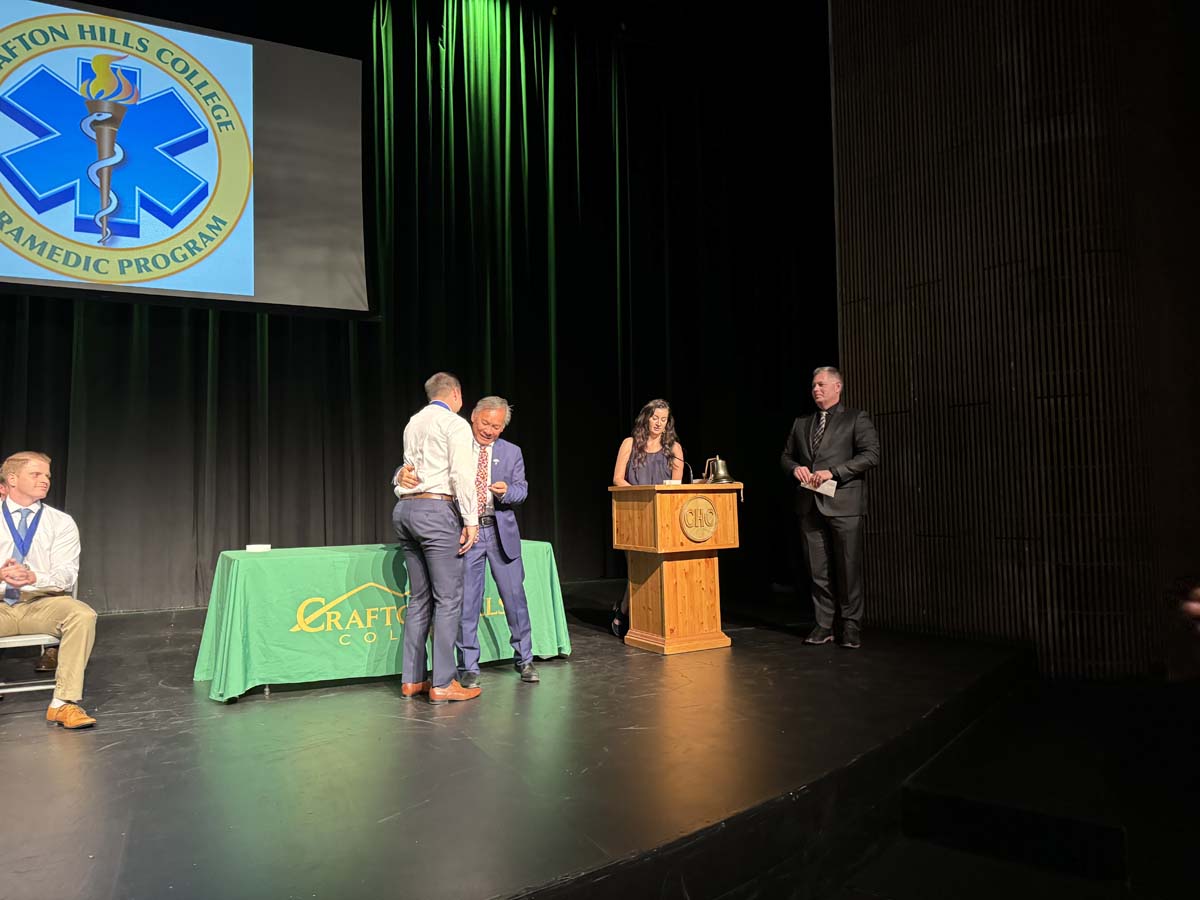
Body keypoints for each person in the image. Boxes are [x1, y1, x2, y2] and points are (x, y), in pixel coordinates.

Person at [397, 396, 538, 687]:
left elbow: (522, 490)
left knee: (515, 600)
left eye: (497, 426)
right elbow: (420, 469)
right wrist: (399, 474)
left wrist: (508, 491)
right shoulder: (455, 442)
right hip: (464, 533)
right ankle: (469, 665)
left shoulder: (512, 453)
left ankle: (525, 659)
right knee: (466, 603)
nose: (490, 430)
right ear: (473, 417)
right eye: (486, 423)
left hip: (499, 533)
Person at [391, 373, 481, 704]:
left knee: (419, 598)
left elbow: (406, 471)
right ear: (456, 394)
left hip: (405, 510)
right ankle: (443, 682)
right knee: (448, 599)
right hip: (435, 513)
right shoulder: (454, 424)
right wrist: (471, 520)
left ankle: (413, 680)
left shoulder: (413, 423)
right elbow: (461, 474)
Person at [780, 367, 880, 649]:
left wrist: (834, 472)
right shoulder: (802, 422)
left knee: (848, 568)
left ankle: (850, 625)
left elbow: (871, 454)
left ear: (838, 387)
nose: (816, 390)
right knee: (817, 569)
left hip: (844, 504)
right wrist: (795, 468)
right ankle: (823, 624)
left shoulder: (855, 418)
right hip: (809, 504)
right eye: (813, 386)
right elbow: (786, 456)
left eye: (822, 385)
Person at [0, 451, 98, 728]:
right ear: (12, 478)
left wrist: (32, 577)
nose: (45, 481)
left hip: (40, 602)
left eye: (47, 476)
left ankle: (64, 703)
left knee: (82, 614)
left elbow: (66, 575)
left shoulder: (60, 522)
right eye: (36, 474)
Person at [610, 399, 685, 635]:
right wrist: (643, 495)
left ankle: (636, 615)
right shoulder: (629, 444)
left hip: (664, 516)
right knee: (637, 568)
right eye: (655, 418)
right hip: (635, 514)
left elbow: (676, 486)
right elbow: (618, 478)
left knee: (657, 570)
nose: (659, 423)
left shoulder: (674, 448)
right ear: (646, 418)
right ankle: (624, 610)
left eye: (663, 420)